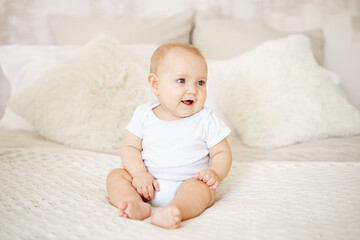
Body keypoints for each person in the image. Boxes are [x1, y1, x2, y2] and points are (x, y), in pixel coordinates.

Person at [106, 42, 232, 229]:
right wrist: (139, 174)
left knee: (203, 190)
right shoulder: (144, 114)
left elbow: (222, 153)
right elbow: (130, 147)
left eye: (200, 82)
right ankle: (134, 203)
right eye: (182, 80)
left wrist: (215, 173)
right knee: (116, 176)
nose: (193, 90)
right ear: (155, 85)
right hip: (145, 184)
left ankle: (175, 210)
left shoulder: (206, 119)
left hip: (187, 184)